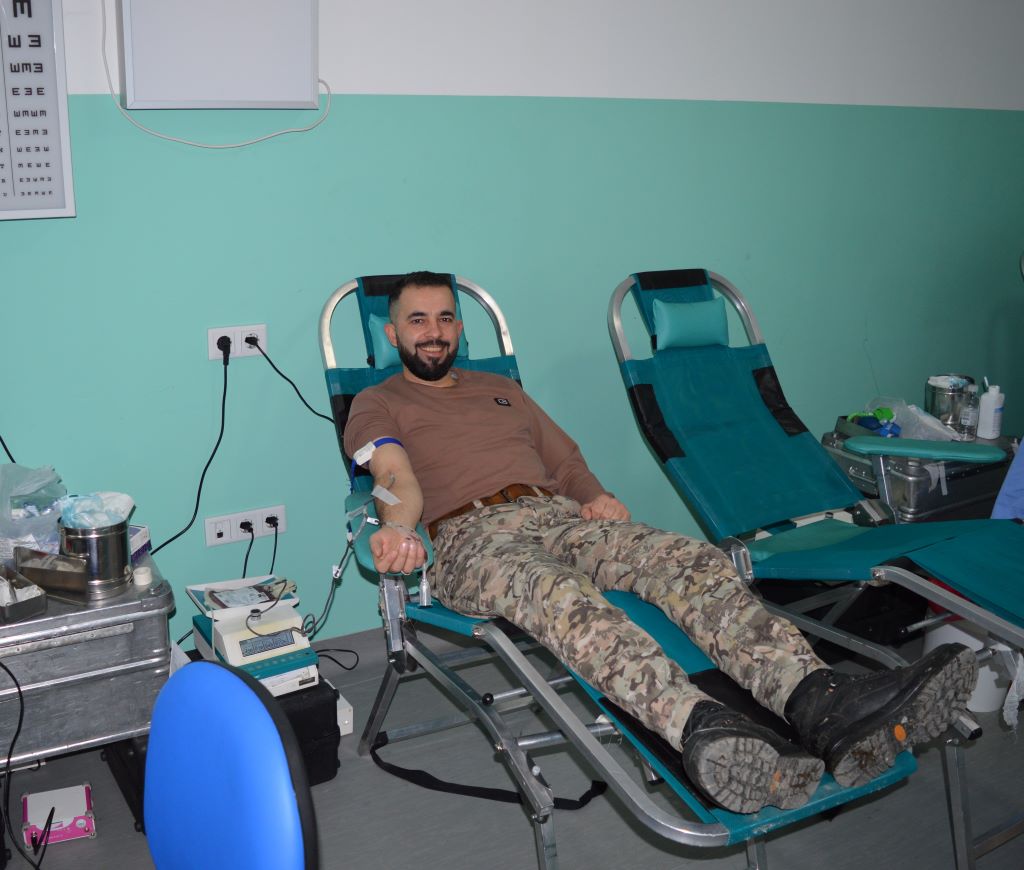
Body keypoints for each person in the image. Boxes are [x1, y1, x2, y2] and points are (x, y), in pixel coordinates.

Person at [344, 271, 978, 815]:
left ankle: (816, 699)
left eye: (445, 318)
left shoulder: (501, 389)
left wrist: (595, 495)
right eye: (417, 320)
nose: (434, 331)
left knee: (689, 560)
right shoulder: (377, 401)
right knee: (560, 594)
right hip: (471, 537)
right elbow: (393, 477)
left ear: (459, 329)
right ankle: (700, 727)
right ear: (393, 334)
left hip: (559, 516)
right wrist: (397, 527)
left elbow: (564, 460)